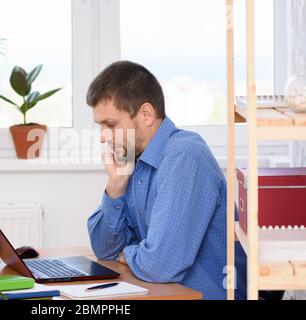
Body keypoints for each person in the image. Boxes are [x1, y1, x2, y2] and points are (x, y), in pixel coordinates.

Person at [86, 60, 247, 300]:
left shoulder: (183, 156)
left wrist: (127, 254)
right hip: (164, 293)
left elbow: (160, 264)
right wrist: (115, 187)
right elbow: (106, 251)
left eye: (111, 124)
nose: (102, 136)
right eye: (100, 126)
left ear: (146, 114)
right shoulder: (134, 160)